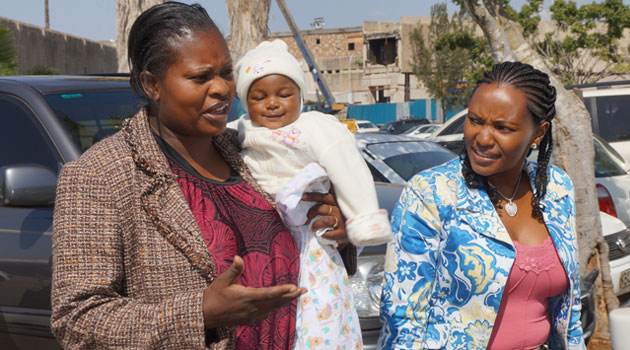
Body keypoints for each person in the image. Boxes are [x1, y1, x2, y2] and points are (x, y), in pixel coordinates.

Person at [50, 3, 350, 349]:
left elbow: (306, 242)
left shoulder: (250, 151)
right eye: (201, 77)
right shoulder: (100, 175)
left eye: (225, 72)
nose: (222, 88)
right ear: (152, 84)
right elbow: (77, 319)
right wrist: (200, 312)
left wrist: (333, 230)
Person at [378, 61, 584, 350]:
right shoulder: (431, 193)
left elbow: (569, 309)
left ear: (538, 134)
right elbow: (403, 318)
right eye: (475, 120)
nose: (483, 138)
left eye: (503, 127)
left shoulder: (555, 189)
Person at [230, 39, 392, 349]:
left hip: (311, 237)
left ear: (301, 96)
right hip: (263, 246)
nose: (272, 104)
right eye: (258, 97)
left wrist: (362, 217)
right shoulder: (238, 131)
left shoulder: (315, 126)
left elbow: (348, 167)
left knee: (317, 306)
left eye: (284, 94)